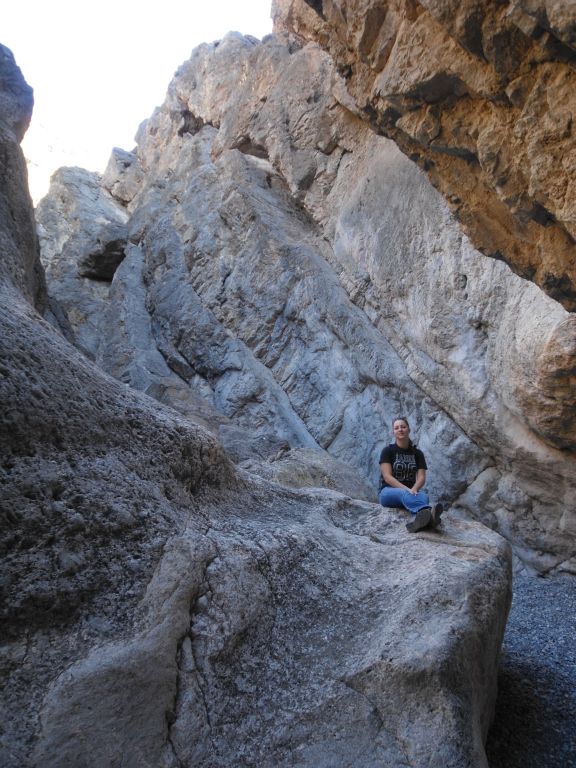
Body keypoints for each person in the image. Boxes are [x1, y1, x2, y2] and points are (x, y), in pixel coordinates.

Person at [378, 416, 443, 532]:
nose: (400, 429)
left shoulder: (417, 453)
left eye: (403, 427)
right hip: (388, 492)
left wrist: (414, 489)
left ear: (409, 429)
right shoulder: (387, 451)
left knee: (424, 496)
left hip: (411, 491)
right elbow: (387, 477)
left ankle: (417, 521)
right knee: (405, 494)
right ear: (393, 432)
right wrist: (407, 490)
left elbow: (421, 477)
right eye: (396, 428)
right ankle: (429, 514)